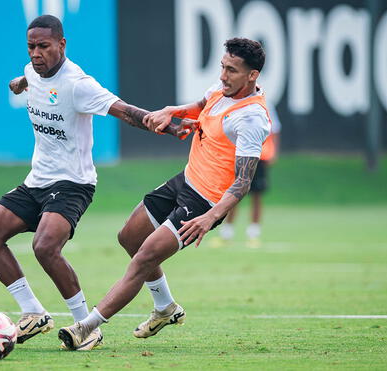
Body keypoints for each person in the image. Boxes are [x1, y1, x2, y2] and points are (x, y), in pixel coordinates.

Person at [0, 15, 191, 351]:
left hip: (73, 183)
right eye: (30, 47)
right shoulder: (33, 71)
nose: (35, 53)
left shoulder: (79, 84)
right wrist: (18, 83)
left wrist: (169, 127)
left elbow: (126, 111)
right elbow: (29, 79)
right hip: (37, 181)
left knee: (44, 247)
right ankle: (33, 312)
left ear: (62, 44)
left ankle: (86, 325)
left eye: (43, 46)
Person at [58, 38, 271, 350]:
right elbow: (204, 103)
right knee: (129, 237)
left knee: (144, 257)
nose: (223, 75)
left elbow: (242, 183)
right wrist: (172, 110)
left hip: (205, 203)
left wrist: (211, 217)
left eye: (232, 71)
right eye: (223, 67)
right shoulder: (223, 87)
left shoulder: (252, 119)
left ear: (252, 76)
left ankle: (86, 327)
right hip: (184, 181)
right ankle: (166, 308)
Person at [216, 103, 281, 248]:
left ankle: (254, 234)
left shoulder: (265, 104)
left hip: (260, 156)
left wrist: (274, 151)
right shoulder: (235, 103)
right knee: (233, 195)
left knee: (256, 195)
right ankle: (226, 234)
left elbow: (275, 129)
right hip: (238, 155)